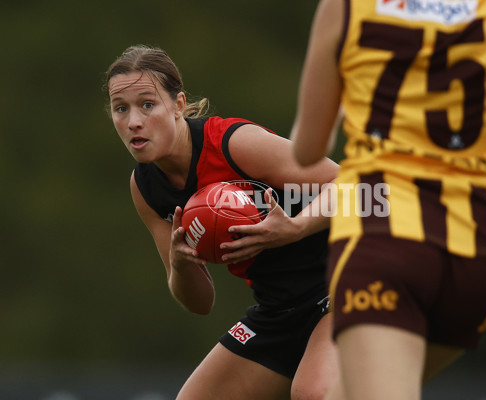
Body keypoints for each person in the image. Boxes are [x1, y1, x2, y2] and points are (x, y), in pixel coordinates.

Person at [287, 0, 486, 399]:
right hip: (479, 254)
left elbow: (307, 151)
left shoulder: (347, 7)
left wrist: (340, 101)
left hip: (385, 242)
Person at [103, 45, 341, 400]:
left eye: (147, 104)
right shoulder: (146, 188)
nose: (134, 121)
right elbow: (200, 303)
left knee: (313, 393)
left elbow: (360, 186)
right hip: (279, 308)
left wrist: (296, 227)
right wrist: (182, 266)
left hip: (345, 281)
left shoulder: (233, 144)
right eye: (121, 108)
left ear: (179, 105)